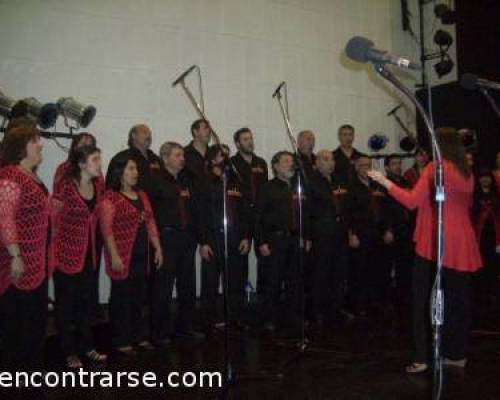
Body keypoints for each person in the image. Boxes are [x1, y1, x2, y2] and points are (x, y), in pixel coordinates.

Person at [368, 127, 483, 373]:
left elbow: (411, 201)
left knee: (423, 301)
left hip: (437, 240)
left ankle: (423, 357)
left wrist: (383, 180)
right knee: (457, 301)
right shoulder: (466, 172)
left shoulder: (436, 168)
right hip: (461, 240)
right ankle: (456, 353)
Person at [51, 145, 107, 368]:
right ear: (82, 164)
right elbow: (53, 221)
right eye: (95, 160)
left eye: (99, 160)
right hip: (65, 255)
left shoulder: (98, 186)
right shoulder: (65, 187)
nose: (99, 165)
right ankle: (68, 351)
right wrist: (52, 255)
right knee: (65, 307)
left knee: (85, 303)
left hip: (87, 254)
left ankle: (87, 346)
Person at [100, 155, 163, 355]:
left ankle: (138, 336)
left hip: (142, 255)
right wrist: (114, 256)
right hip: (122, 256)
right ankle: (121, 339)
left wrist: (158, 247)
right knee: (122, 299)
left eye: (136, 169)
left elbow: (151, 223)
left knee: (139, 297)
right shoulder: (110, 197)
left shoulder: (142, 195)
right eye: (131, 168)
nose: (136, 172)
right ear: (119, 172)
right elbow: (106, 230)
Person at [0, 127, 50, 374]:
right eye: (34, 141)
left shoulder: (33, 176)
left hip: (37, 261)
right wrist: (15, 255)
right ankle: (15, 374)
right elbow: (5, 217)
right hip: (17, 262)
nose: (40, 145)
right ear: (20, 148)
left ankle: (31, 370)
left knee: (35, 320)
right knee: (16, 322)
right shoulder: (11, 176)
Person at [149, 142, 205, 343]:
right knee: (163, 287)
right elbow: (149, 214)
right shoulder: (155, 181)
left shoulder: (185, 181)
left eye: (183, 154)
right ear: (165, 158)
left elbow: (195, 212)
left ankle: (185, 328)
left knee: (188, 286)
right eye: (177, 155)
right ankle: (160, 332)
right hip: (166, 238)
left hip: (186, 238)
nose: (182, 158)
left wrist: (200, 239)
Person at [254, 151, 312, 333]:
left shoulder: (299, 187)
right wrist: (261, 242)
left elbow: (306, 215)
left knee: (295, 282)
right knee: (273, 282)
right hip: (274, 241)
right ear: (276, 166)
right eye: (285, 161)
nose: (290, 164)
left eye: (292, 161)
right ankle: (270, 318)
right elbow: (257, 218)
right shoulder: (267, 188)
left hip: (295, 241)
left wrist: (307, 236)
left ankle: (293, 317)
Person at [199, 145, 250, 333]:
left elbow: (245, 212)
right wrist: (203, 241)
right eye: (222, 154)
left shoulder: (236, 181)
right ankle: (208, 322)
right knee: (210, 283)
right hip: (213, 237)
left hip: (235, 237)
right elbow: (200, 214)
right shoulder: (204, 182)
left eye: (228, 154)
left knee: (235, 281)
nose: (226, 157)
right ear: (212, 159)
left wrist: (246, 236)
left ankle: (235, 318)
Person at [348, 154, 394, 316]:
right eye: (362, 165)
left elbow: (387, 210)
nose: (366, 168)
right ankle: (360, 304)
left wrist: (388, 229)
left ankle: (377, 301)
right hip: (361, 234)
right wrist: (351, 234)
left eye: (369, 165)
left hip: (379, 233)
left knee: (379, 269)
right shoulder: (351, 187)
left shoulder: (378, 186)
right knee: (360, 270)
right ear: (356, 168)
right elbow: (348, 214)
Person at [308, 150, 350, 326]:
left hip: (340, 231)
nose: (330, 163)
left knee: (339, 272)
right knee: (321, 272)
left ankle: (336, 309)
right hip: (321, 232)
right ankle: (318, 311)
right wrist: (309, 236)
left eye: (332, 159)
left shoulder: (339, 181)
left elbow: (347, 206)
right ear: (316, 163)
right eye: (325, 159)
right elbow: (308, 211)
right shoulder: (311, 181)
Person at [230, 128, 268, 300]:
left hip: (260, 217)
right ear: (237, 143)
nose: (250, 142)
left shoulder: (261, 163)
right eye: (245, 139)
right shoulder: (231, 164)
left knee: (266, 260)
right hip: (241, 218)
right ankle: (240, 304)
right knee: (240, 264)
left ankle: (263, 302)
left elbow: (266, 191)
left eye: (251, 138)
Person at [384, 154, 415, 322]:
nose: (397, 166)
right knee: (390, 265)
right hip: (392, 229)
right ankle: (391, 299)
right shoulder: (383, 184)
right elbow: (383, 209)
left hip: (406, 230)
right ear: (387, 167)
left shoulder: (405, 183)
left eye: (399, 163)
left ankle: (405, 297)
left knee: (406, 265)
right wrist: (388, 229)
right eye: (394, 164)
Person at [105, 124, 161, 197]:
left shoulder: (155, 158)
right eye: (145, 132)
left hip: (157, 205)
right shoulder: (122, 157)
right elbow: (111, 186)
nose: (149, 136)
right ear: (133, 135)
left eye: (150, 133)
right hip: (133, 203)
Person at [472, 168, 500, 306]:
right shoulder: (474, 196)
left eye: (487, 177)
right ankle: (478, 294)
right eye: (482, 177)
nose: (485, 179)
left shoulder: (497, 195)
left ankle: (491, 294)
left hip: (494, 236)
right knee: (479, 266)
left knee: (493, 266)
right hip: (479, 236)